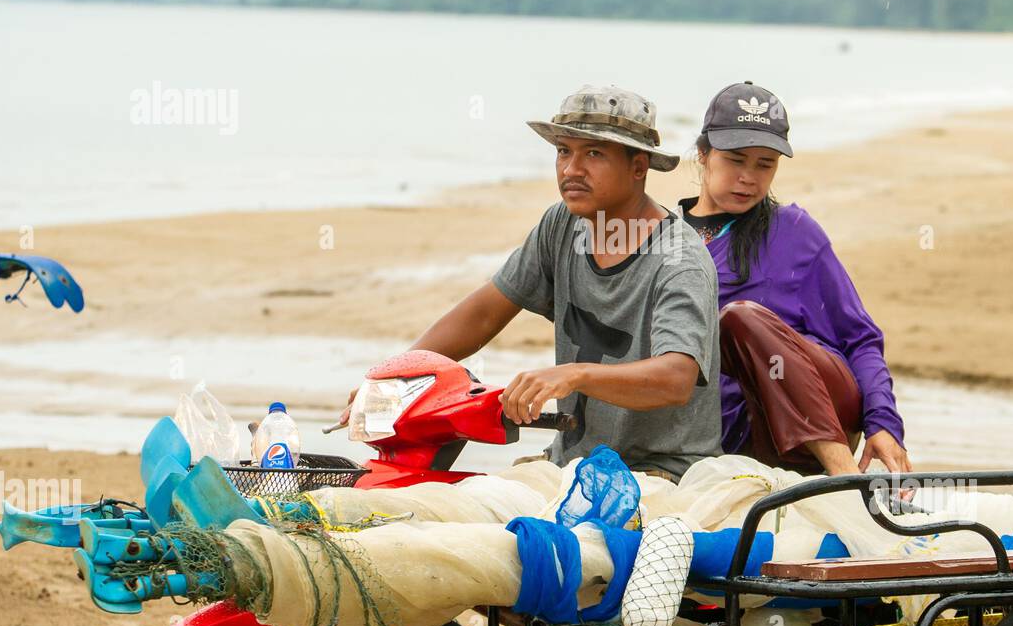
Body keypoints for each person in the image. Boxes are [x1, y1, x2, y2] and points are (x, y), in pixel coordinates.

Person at [348, 85, 721, 482]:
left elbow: (675, 379)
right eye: (564, 151)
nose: (571, 169)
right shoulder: (561, 224)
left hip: (657, 473)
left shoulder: (680, 260)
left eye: (594, 153)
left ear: (638, 167)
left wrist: (573, 375)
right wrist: (390, 380)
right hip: (570, 463)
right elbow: (484, 312)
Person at [678, 81, 911, 478]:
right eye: (736, 160)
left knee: (739, 319)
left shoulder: (794, 232)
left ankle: (844, 478)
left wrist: (883, 423)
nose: (749, 177)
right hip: (728, 439)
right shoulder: (666, 239)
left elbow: (860, 338)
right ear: (703, 154)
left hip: (821, 414)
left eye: (764, 164)